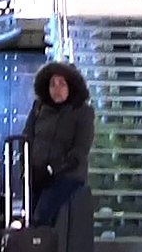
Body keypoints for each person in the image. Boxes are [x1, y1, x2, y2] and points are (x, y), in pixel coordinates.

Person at [22, 61, 95, 227]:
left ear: (71, 86)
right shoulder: (39, 108)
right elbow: (26, 137)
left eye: (62, 84)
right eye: (53, 84)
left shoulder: (83, 112)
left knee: (41, 215)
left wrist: (53, 169)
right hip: (37, 173)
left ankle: (45, 251)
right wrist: (29, 167)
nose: (57, 89)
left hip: (67, 176)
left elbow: (80, 149)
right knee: (28, 217)